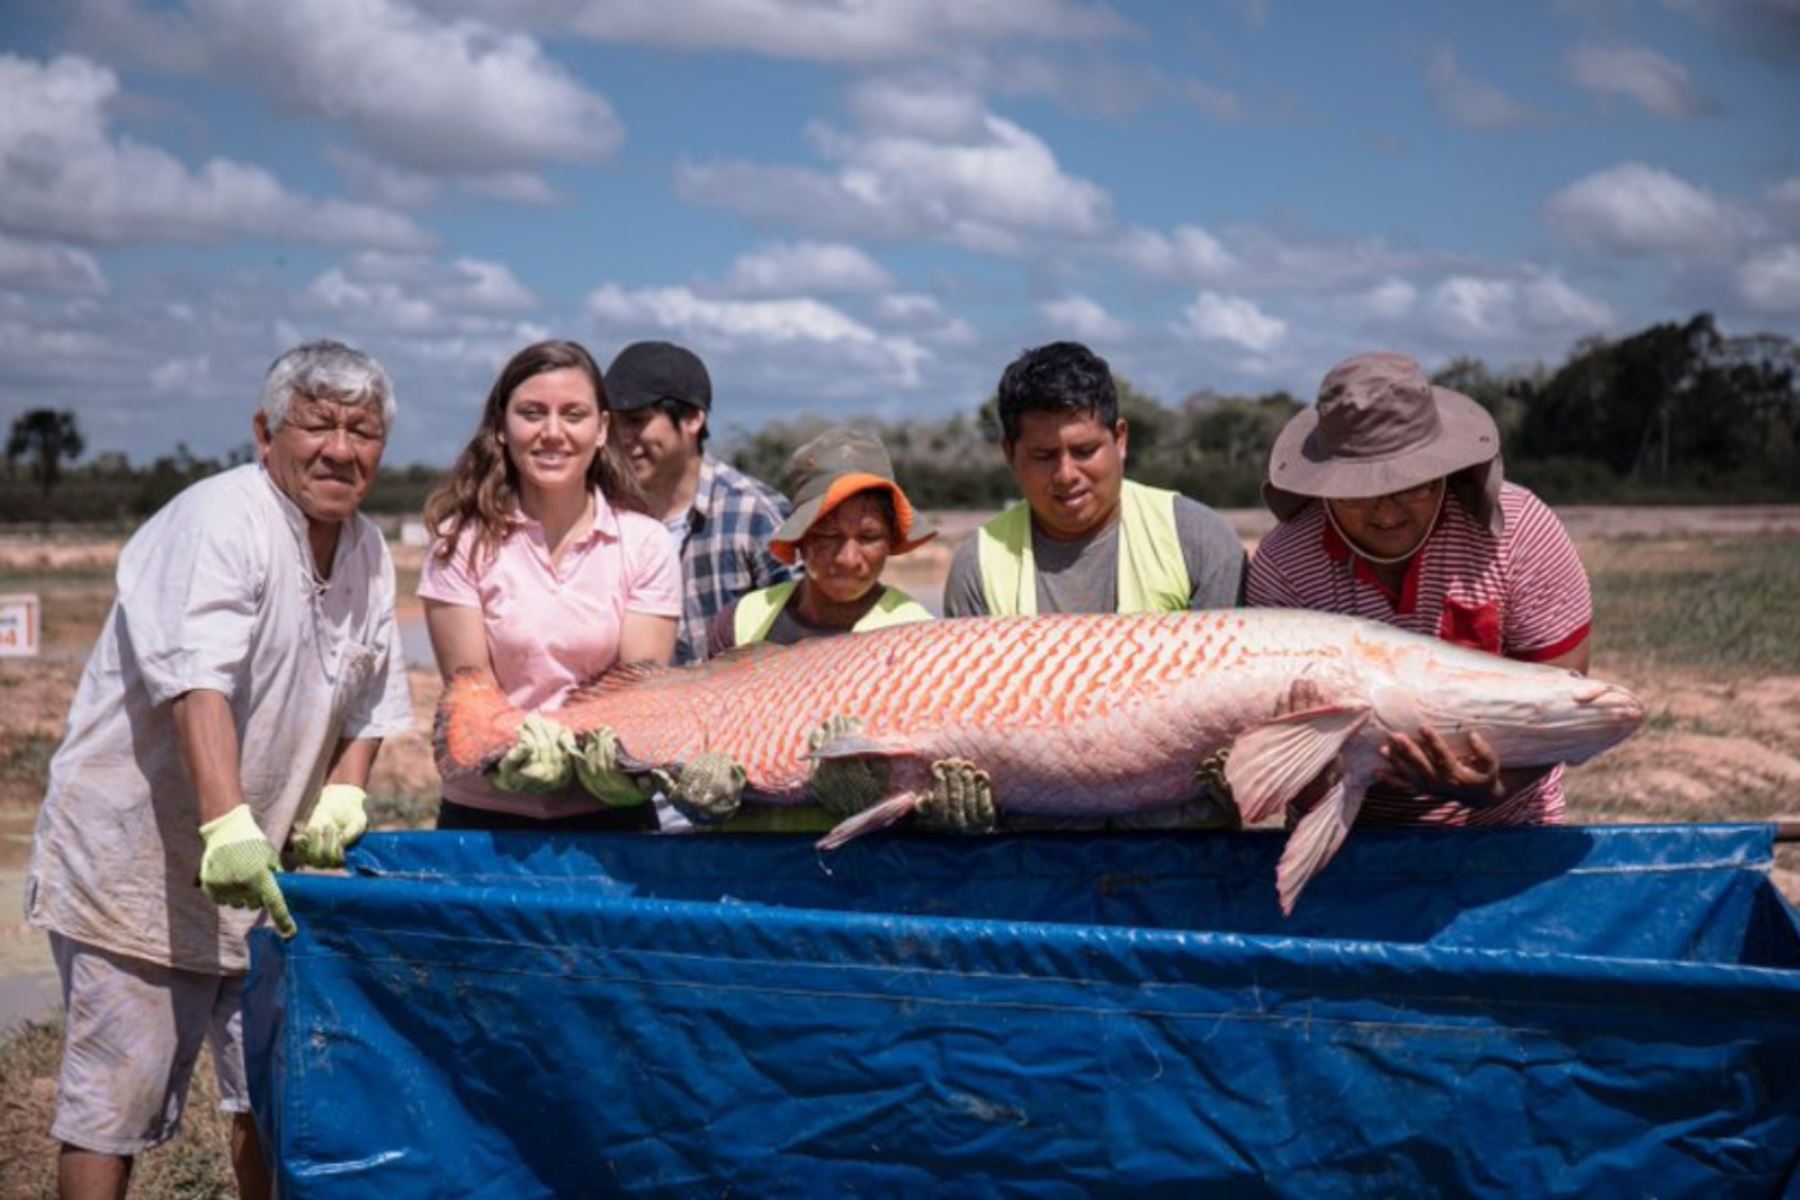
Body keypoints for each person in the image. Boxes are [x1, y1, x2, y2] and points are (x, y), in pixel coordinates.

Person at [25, 340, 414, 1200]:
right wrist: (226, 824)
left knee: (275, 1102)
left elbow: (371, 699)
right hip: (141, 866)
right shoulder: (219, 520)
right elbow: (195, 681)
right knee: (109, 1108)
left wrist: (346, 787)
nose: (340, 449)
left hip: (263, 877)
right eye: (317, 424)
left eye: (363, 430)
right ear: (263, 432)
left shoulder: (368, 550)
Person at [1247, 350, 1594, 826]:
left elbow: (1563, 705)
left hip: (1505, 828)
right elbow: (1276, 741)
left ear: (1444, 472)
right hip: (1348, 839)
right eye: (1356, 494)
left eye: (1412, 486)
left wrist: (1492, 788)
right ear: (1323, 486)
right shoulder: (1285, 563)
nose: (1386, 513)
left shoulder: (1520, 532)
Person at [419, 340, 681, 832]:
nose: (552, 433)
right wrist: (513, 752)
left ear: (602, 429)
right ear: (501, 427)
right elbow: (471, 695)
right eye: (532, 413)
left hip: (609, 810)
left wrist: (595, 757)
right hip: (487, 813)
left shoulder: (645, 543)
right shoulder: (460, 542)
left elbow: (639, 689)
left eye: (574, 414)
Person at [943, 340, 1246, 619]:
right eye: (1043, 456)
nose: (1066, 475)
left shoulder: (1199, 542)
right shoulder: (979, 567)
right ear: (1009, 454)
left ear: (1120, 440)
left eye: (1084, 451)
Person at [603, 340, 795, 665]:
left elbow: (804, 642)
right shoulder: (599, 515)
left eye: (636, 421)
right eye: (614, 423)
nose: (622, 438)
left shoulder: (756, 516)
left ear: (693, 419)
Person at [706, 425, 935, 657]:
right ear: (800, 538)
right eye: (828, 536)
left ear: (890, 539)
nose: (848, 559)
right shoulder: (741, 623)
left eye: (868, 537)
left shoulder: (918, 637)